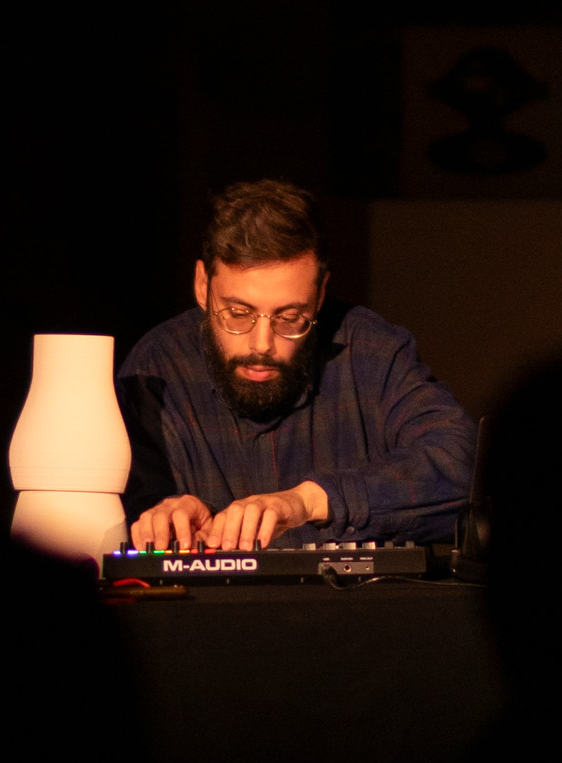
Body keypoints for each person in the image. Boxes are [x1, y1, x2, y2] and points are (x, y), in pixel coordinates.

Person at [118, 179, 473, 551]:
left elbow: (461, 465)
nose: (261, 344)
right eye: (238, 314)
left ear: (319, 294)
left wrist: (309, 501)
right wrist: (159, 512)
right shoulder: (156, 367)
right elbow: (117, 504)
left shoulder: (372, 352)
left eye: (289, 318)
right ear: (202, 285)